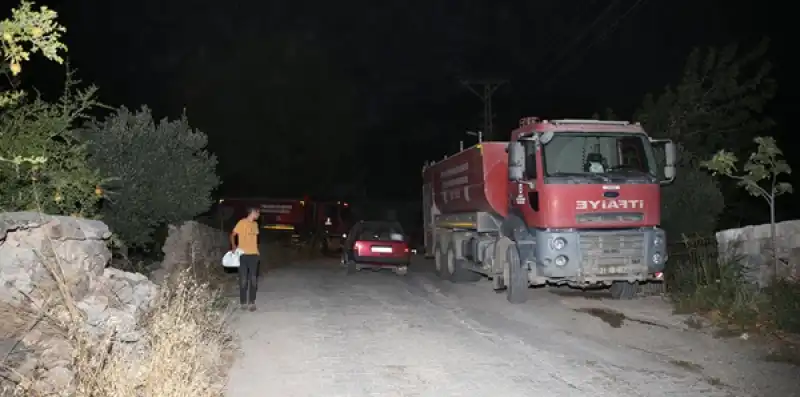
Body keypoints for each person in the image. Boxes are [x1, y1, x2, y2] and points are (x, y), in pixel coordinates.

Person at [231, 207, 260, 311]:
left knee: (253, 279)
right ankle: (243, 302)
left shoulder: (255, 225)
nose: (259, 214)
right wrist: (233, 246)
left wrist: (257, 251)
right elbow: (232, 234)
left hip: (254, 255)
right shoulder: (241, 222)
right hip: (242, 255)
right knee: (243, 280)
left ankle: (252, 302)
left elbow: (254, 240)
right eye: (257, 212)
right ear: (252, 212)